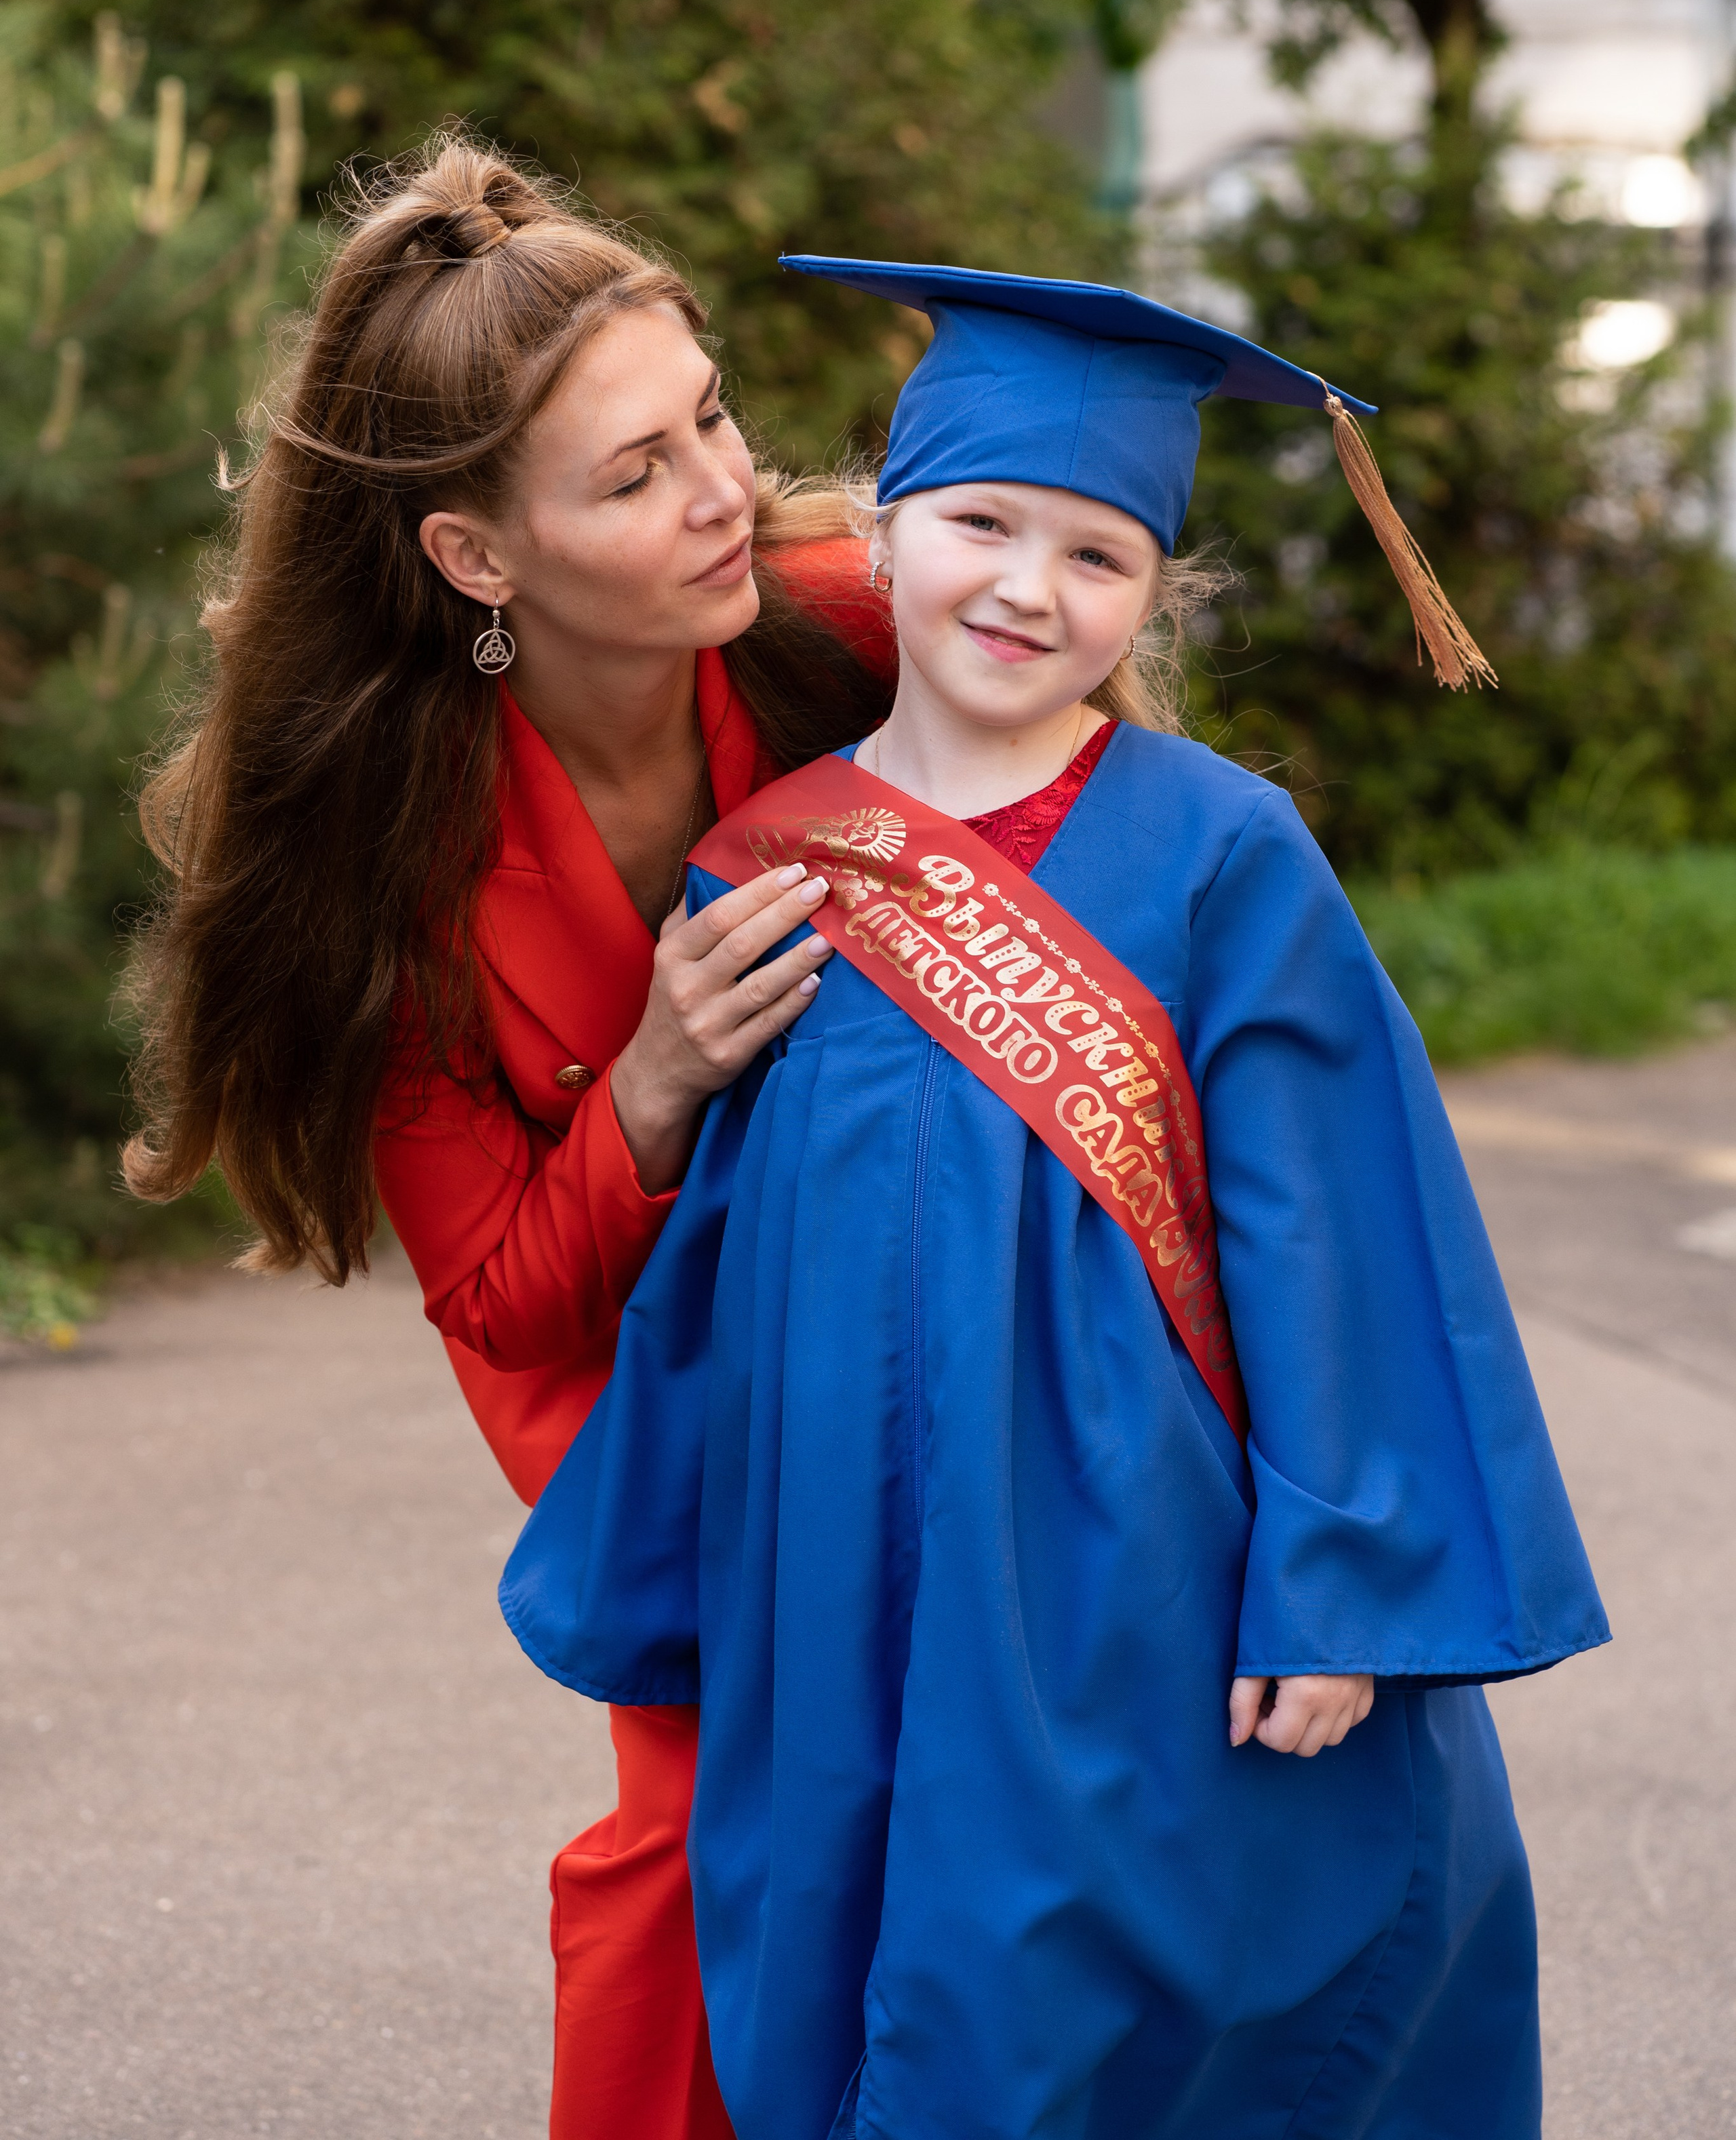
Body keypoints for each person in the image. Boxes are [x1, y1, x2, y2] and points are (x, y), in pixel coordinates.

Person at [502, 259, 1610, 2140]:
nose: (1029, 586)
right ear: (881, 534)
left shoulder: (1222, 854)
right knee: (868, 1960)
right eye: (982, 525)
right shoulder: (767, 868)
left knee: (1117, 1981)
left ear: (1154, 596)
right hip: (850, 1562)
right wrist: (679, 1551)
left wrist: (1335, 1583)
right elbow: (725, 1264)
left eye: (1098, 555)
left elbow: (1337, 1232)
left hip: (1137, 1562)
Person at [122, 143, 895, 2140]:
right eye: (633, 477)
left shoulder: (853, 631)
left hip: (919, 1318)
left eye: (710, 416)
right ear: (479, 559)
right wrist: (653, 1079)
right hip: (648, 1417)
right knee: (710, 1842)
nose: (721, 490)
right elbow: (503, 1302)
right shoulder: (380, 868)